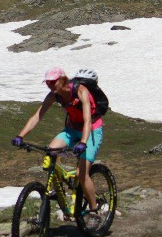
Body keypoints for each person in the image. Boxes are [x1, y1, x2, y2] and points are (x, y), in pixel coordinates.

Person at [12, 67, 103, 213]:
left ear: (63, 80)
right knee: (51, 151)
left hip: (92, 130)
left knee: (81, 174)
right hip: (71, 129)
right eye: (48, 82)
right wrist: (20, 136)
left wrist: (83, 142)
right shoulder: (54, 95)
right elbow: (37, 116)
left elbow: (88, 121)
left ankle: (94, 209)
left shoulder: (81, 91)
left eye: (53, 82)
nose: (50, 85)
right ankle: (58, 189)